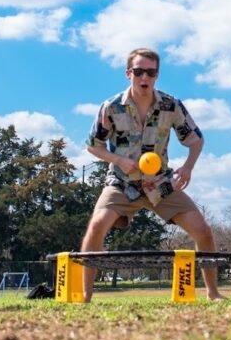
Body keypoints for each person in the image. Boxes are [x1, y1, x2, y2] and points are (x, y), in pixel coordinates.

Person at [81, 47, 223, 302]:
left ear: (157, 75)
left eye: (150, 72)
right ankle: (85, 297)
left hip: (160, 184)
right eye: (138, 72)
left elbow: (196, 140)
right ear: (128, 73)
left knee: (203, 231)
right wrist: (119, 160)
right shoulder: (111, 107)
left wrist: (188, 166)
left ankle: (213, 293)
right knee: (96, 227)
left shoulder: (171, 105)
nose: (144, 77)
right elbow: (93, 145)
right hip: (121, 183)